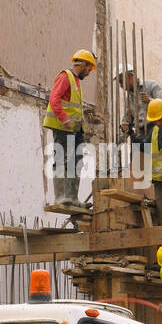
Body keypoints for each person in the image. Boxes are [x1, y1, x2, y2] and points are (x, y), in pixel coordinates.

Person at [43, 49, 95, 212]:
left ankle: (72, 198)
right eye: (89, 69)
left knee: (76, 161)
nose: (89, 73)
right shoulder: (65, 76)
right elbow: (54, 99)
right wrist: (64, 118)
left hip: (75, 129)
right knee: (62, 159)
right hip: (62, 126)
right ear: (85, 65)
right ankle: (60, 196)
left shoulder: (76, 81)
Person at [115, 66, 162, 142]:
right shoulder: (129, 98)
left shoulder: (151, 85)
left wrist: (150, 101)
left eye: (121, 81)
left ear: (130, 76)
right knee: (139, 153)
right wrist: (120, 138)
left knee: (152, 153)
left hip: (154, 130)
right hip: (138, 133)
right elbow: (127, 119)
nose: (121, 86)